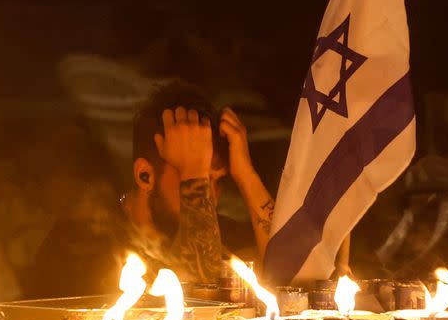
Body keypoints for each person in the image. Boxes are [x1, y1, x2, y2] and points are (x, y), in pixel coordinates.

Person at [27, 81, 275, 297]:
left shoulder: (222, 233)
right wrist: (194, 173)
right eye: (190, 173)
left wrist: (246, 175)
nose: (210, 195)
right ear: (145, 176)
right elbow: (195, 295)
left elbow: (289, 275)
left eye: (216, 179)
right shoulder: (85, 240)